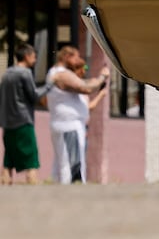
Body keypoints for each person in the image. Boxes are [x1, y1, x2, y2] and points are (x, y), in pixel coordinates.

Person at [44, 43, 110, 184]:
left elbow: (82, 84)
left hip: (68, 125)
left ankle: (59, 195)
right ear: (67, 56)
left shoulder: (60, 74)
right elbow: (85, 88)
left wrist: (95, 81)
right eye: (76, 57)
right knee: (72, 165)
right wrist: (102, 78)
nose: (80, 60)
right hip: (69, 126)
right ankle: (70, 197)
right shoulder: (60, 73)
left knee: (63, 164)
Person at [2, 45, 48, 184]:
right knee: (31, 157)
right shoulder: (25, 73)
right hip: (23, 121)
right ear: (27, 56)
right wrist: (50, 86)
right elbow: (34, 96)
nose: (35, 60)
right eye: (34, 56)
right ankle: (32, 184)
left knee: (9, 157)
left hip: (7, 122)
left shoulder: (7, 73)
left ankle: (5, 182)